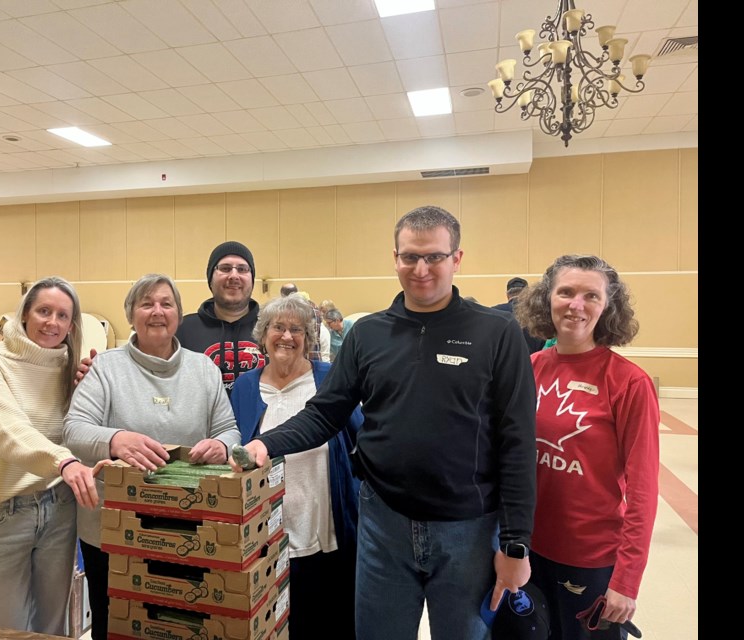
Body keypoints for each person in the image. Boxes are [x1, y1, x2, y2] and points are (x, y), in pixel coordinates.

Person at [230, 205, 537, 640]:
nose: (421, 268)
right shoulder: (368, 334)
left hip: (467, 529)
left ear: (457, 258)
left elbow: (518, 442)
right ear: (395, 258)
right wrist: (266, 443)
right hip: (383, 525)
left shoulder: (496, 332)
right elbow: (326, 412)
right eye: (409, 256)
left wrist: (515, 544)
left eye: (434, 256)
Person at [64, 273, 241, 640]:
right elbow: (74, 430)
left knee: (179, 622)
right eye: (146, 304)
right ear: (131, 315)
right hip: (113, 531)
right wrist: (116, 439)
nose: (157, 312)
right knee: (117, 623)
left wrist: (222, 446)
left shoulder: (204, 369)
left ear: (178, 314)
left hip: (185, 529)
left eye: (166, 303)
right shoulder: (105, 368)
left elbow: (229, 429)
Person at [515, 255, 660, 639]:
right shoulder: (529, 368)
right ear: (547, 299)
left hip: (590, 559)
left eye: (590, 296)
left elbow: (644, 489)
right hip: (526, 550)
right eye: (566, 292)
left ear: (607, 307)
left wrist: (627, 579)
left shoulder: (628, 383)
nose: (576, 305)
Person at [0, 276, 105, 635]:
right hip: (2, 515)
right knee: (6, 629)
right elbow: (9, 432)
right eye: (44, 311)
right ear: (25, 312)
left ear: (71, 325)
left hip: (58, 508)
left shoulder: (67, 368)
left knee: (51, 627)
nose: (52, 322)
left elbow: (75, 430)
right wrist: (64, 461)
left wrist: (86, 390)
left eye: (62, 315)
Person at [229, 294, 362, 640]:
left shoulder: (329, 378)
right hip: (265, 542)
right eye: (278, 328)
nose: (287, 336)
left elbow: (360, 439)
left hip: (325, 533)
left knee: (331, 625)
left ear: (308, 337)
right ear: (263, 334)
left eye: (296, 329)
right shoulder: (245, 386)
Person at [174, 241, 265, 392]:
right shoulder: (182, 330)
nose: (234, 275)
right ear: (210, 279)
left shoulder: (272, 328)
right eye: (225, 268)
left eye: (242, 269)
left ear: (252, 279)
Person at [493, 277, 546, 354]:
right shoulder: (539, 312)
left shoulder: (494, 312)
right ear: (528, 294)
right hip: (533, 362)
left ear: (507, 295)